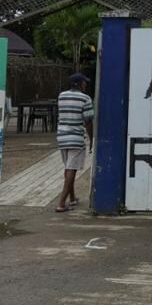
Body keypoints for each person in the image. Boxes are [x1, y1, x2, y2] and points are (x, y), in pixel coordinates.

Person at [54, 72, 94, 212]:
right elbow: (88, 121)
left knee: (68, 167)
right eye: (84, 82)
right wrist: (91, 138)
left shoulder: (61, 96)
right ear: (79, 83)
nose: (86, 84)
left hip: (62, 136)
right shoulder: (85, 98)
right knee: (72, 169)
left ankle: (72, 198)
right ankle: (61, 203)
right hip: (76, 137)